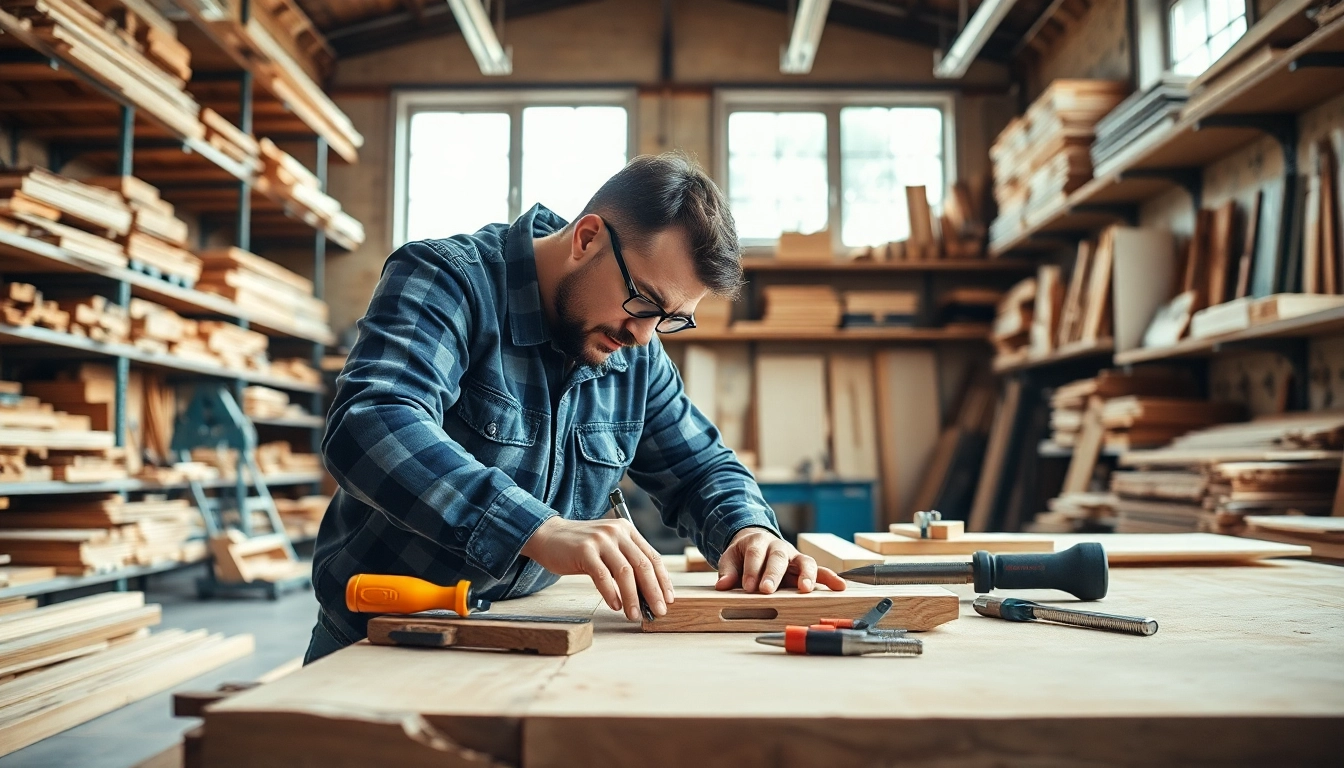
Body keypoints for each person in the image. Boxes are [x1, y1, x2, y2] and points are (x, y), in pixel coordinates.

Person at [304, 153, 845, 663]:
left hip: (524, 633)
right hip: (383, 634)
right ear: (586, 239)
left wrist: (748, 531)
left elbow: (699, 469)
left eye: (671, 318)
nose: (643, 336)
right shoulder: (448, 280)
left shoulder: (636, 347)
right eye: (645, 302)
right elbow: (372, 422)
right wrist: (535, 528)